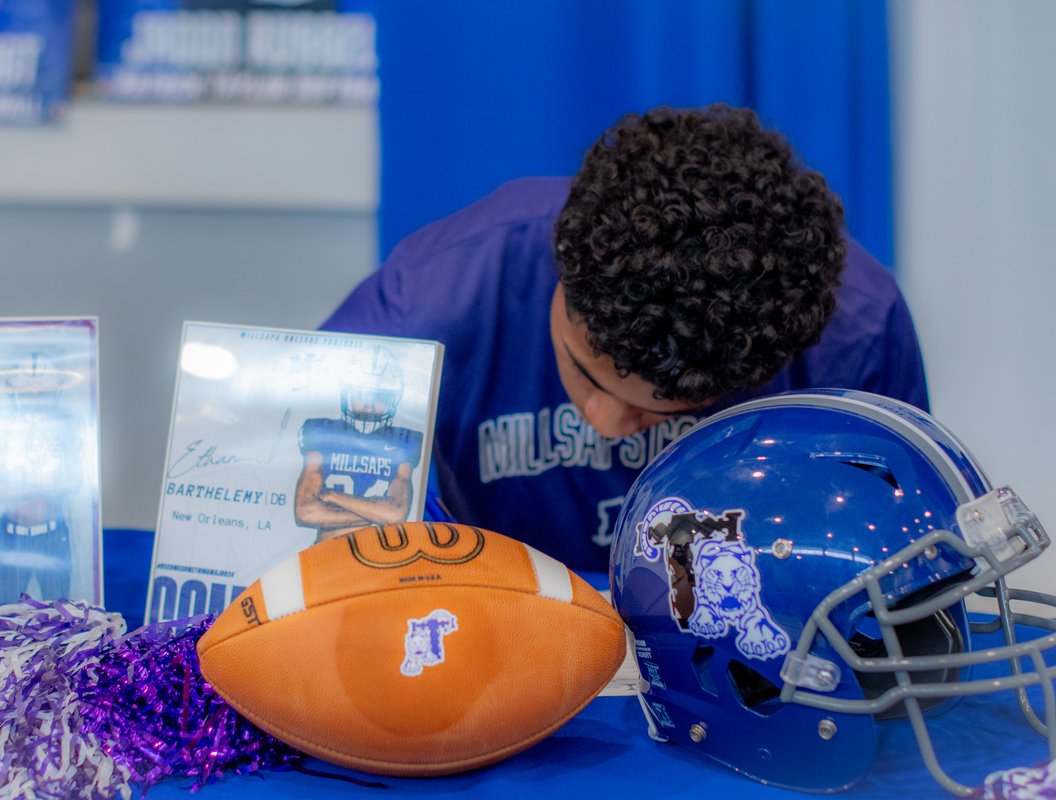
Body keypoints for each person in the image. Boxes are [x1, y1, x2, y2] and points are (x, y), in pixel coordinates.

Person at [321, 104, 928, 571]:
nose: (605, 421)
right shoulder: (428, 302)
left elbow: (886, 557)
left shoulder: (856, 336)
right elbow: (301, 518)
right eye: (583, 370)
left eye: (655, 412)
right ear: (560, 269)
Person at [0, 354, 82, 604]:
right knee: (6, 614)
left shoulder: (65, 426)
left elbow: (73, 481)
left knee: (60, 615)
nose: (34, 399)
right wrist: (41, 484)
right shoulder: (0, 428)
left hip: (52, 535)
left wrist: (19, 486)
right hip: (13, 536)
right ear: (14, 392)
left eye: (41, 393)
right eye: (28, 393)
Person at [294, 345, 424, 542]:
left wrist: (333, 496)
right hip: (326, 553)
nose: (369, 404)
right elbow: (306, 512)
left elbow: (396, 514)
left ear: (393, 400)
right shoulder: (322, 432)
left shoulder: (403, 441)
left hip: (377, 558)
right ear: (348, 394)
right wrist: (374, 515)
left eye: (380, 397)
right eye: (362, 394)